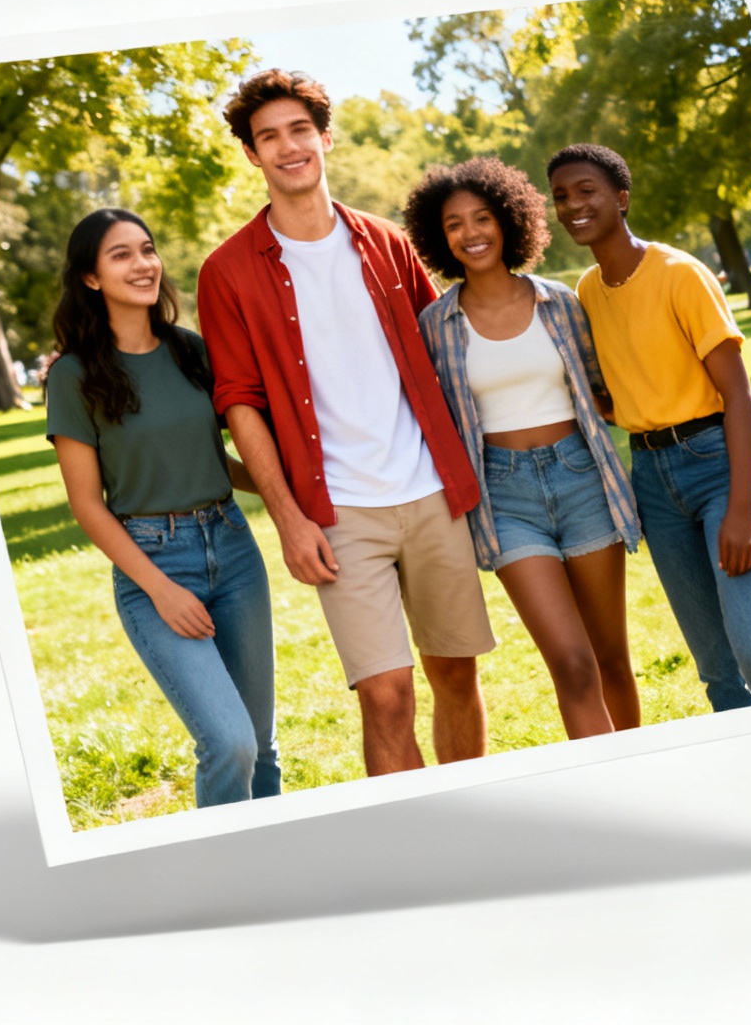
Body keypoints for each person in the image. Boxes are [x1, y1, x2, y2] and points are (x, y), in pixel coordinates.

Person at [196, 68, 496, 776]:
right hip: (338, 514)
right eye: (268, 137)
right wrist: (290, 519)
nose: (287, 147)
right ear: (252, 155)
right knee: (385, 697)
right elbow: (238, 402)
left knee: (456, 675)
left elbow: (445, 348)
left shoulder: (387, 243)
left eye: (299, 130)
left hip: (429, 494)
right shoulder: (228, 272)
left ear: (324, 137)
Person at [549, 143, 751, 711]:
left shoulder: (679, 273)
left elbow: (738, 393)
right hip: (652, 480)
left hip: (717, 468)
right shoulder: (587, 293)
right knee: (717, 670)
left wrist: (741, 507)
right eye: (562, 196)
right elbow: (628, 385)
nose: (572, 205)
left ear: (621, 198)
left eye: (586, 191)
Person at [44, 208, 279, 807]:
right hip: (154, 561)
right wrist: (160, 589)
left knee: (260, 742)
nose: (142, 264)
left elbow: (209, 458)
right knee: (229, 743)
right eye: (120, 254)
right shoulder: (74, 376)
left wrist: (287, 493)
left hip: (232, 546)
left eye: (146, 249)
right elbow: (87, 505)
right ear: (91, 279)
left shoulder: (190, 351)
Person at [407, 158, 643, 737]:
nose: (471, 233)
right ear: (441, 239)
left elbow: (599, 385)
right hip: (506, 498)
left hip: (581, 478)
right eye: (455, 224)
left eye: (482, 217)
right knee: (571, 662)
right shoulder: (435, 324)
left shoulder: (559, 302)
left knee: (611, 657)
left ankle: (643, 774)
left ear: (509, 220)